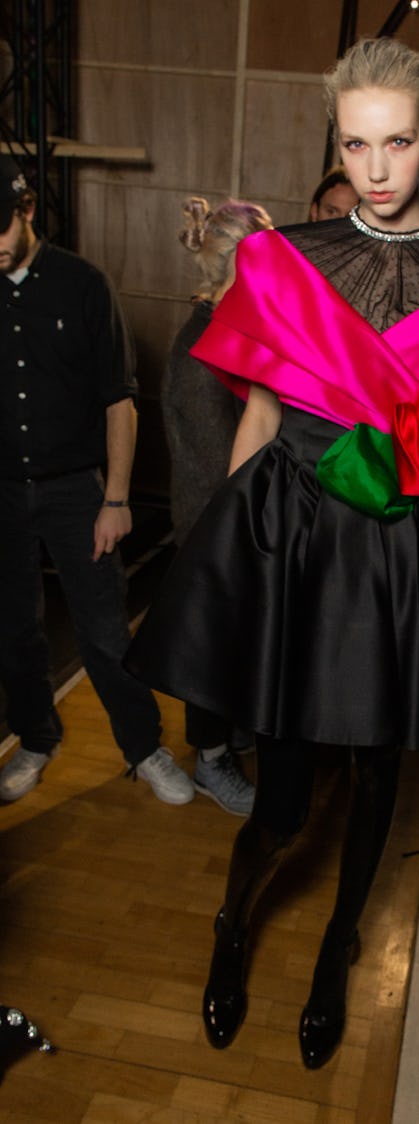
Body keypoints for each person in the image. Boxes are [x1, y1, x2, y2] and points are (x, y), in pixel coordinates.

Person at [126, 37, 419, 1068]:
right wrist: (230, 557)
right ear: (337, 143)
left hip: (398, 562)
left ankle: (338, 950)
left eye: (397, 145)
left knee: (377, 777)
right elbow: (256, 415)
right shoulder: (286, 258)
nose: (376, 170)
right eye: (355, 144)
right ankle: (233, 922)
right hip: (297, 547)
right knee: (284, 796)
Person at [0, 156, 193, 806]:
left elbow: (120, 400)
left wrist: (115, 499)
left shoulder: (84, 285)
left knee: (105, 632)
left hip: (77, 490)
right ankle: (35, 737)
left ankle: (144, 749)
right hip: (3, 491)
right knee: (14, 630)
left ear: (27, 210)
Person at [162, 196, 273, 815]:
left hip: (228, 522)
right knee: (207, 650)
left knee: (229, 645)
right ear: (241, 266)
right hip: (211, 525)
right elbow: (213, 465)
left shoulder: (225, 330)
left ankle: (230, 734)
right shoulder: (200, 350)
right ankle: (210, 762)